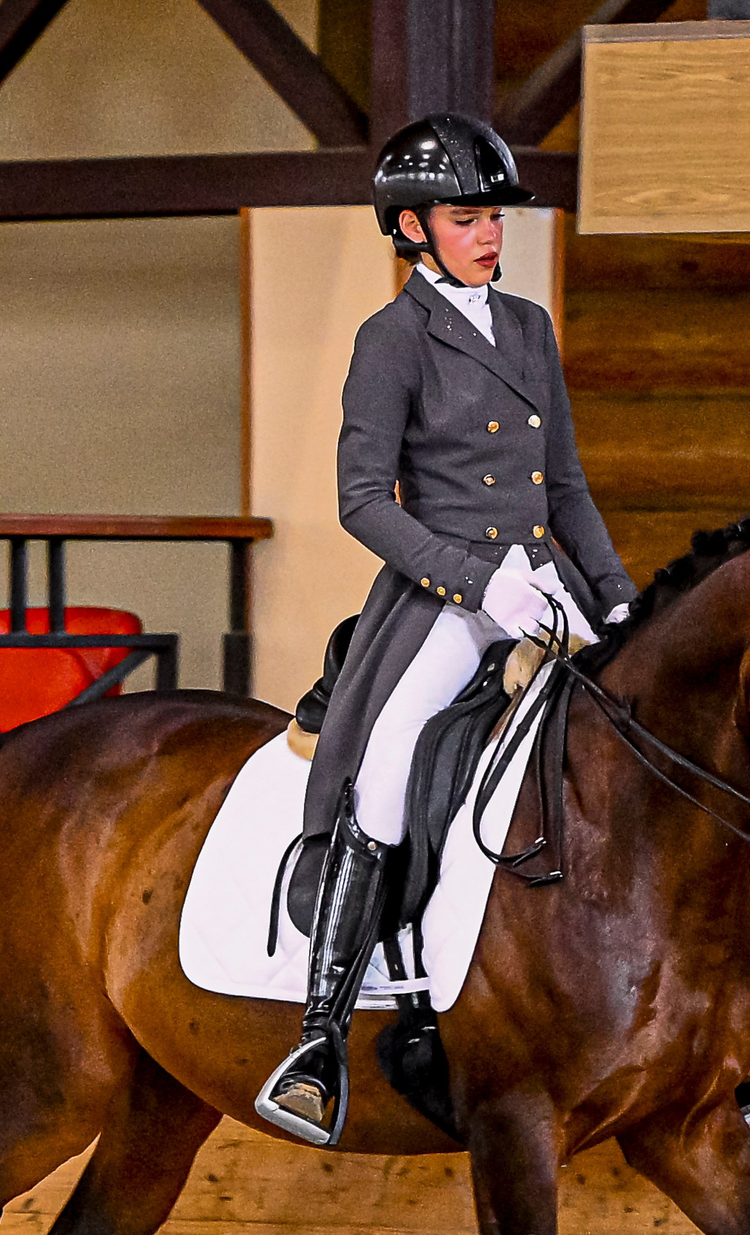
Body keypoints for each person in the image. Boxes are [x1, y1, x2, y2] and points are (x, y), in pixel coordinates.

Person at [256, 114, 634, 1148]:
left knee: (635, 755)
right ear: (413, 229)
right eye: (466, 220)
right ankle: (319, 1037)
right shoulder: (390, 341)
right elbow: (360, 501)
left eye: (492, 219)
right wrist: (475, 584)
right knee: (380, 775)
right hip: (442, 596)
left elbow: (564, 483)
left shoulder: (526, 328)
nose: (487, 236)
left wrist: (612, 595)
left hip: (545, 588)